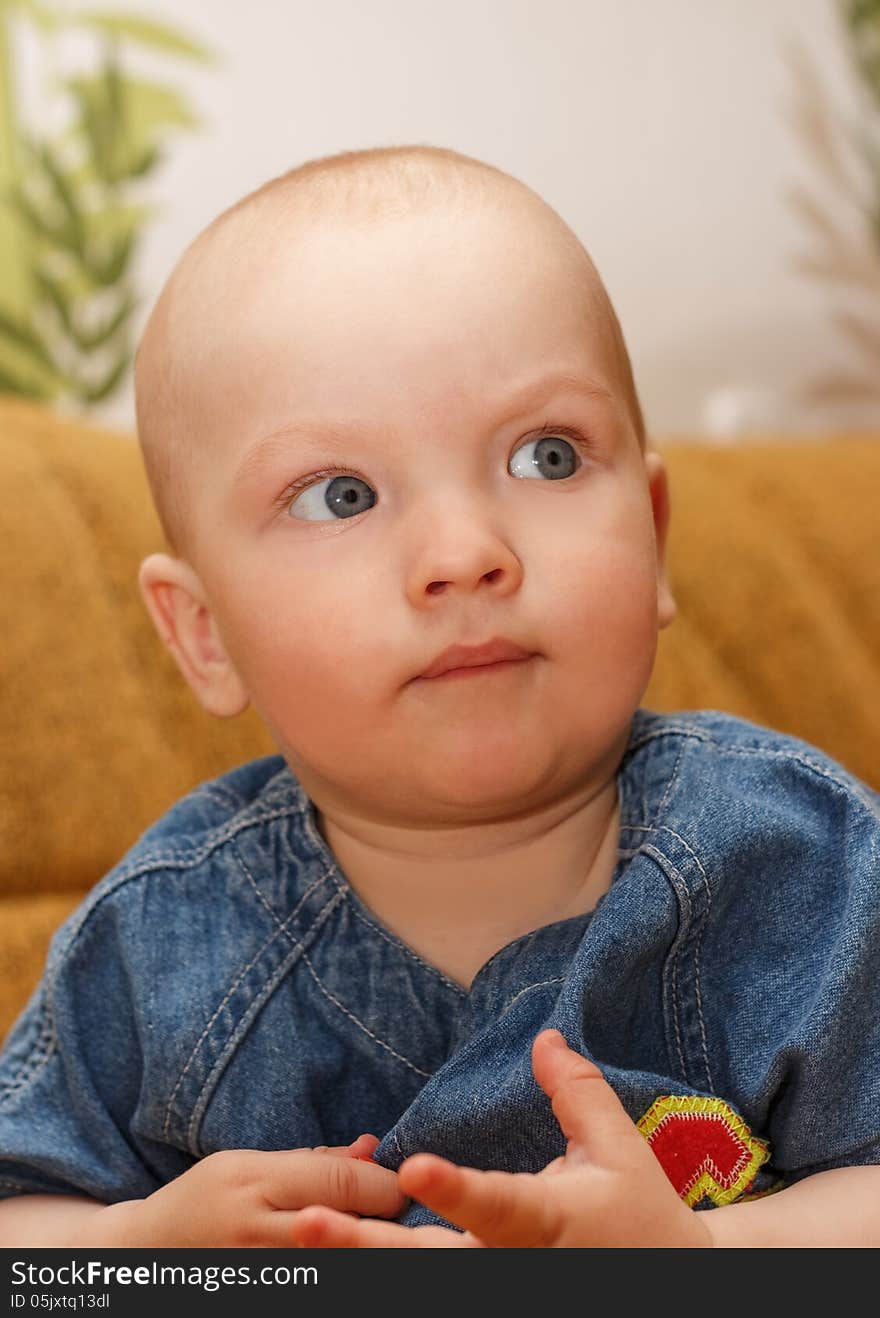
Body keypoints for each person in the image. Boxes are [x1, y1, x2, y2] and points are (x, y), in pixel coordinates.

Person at [0, 145, 878, 1249]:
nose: (464, 554)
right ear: (204, 634)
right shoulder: (159, 943)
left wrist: (707, 1253)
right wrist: (139, 1249)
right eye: (342, 494)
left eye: (545, 457)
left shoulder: (802, 862)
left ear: (654, 539)